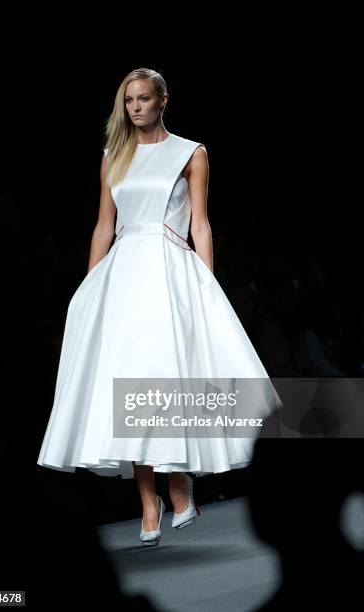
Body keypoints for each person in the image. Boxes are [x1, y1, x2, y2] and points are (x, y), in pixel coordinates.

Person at [37, 67, 278, 545]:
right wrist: (90, 287)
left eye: (144, 99)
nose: (136, 108)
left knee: (160, 377)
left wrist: (206, 286)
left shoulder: (191, 153)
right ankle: (148, 499)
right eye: (130, 100)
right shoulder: (114, 156)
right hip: (123, 273)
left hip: (169, 269)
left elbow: (201, 224)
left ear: (164, 100)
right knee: (124, 379)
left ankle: (177, 480)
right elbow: (104, 225)